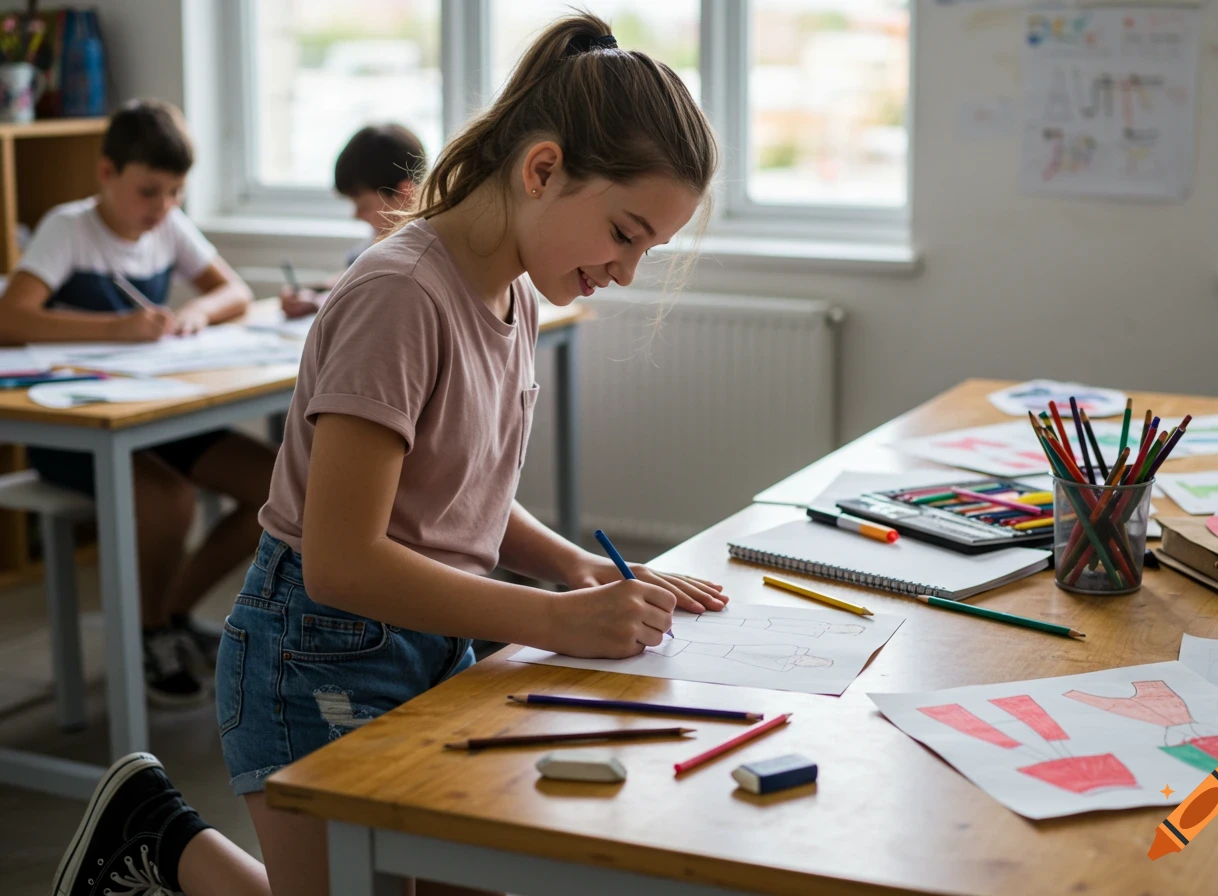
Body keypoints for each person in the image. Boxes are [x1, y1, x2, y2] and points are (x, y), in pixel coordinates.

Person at [53, 14, 720, 896]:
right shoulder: (402, 293)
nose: (628, 272)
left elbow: (457, 490)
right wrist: (554, 622)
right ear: (544, 169)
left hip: (434, 640)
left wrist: (566, 567)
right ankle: (155, 836)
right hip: (317, 656)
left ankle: (153, 831)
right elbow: (341, 562)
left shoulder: (514, 296)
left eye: (649, 249)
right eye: (626, 233)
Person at [0, 99, 277, 707]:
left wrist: (193, 313)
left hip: (155, 413)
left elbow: (231, 290)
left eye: (176, 192)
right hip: (77, 428)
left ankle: (170, 614)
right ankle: (151, 633)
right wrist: (115, 329)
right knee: (168, 501)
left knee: (278, 487)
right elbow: (10, 317)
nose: (164, 207)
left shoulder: (166, 226)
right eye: (150, 190)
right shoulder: (68, 227)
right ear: (106, 174)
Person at [279, 124, 425, 319]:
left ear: (404, 194)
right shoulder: (376, 244)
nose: (356, 215)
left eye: (364, 206)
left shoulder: (417, 261)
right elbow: (345, 278)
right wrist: (312, 296)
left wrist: (319, 302)